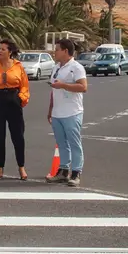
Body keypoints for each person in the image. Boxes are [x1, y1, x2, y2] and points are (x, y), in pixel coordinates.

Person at [0, 39, 30, 180]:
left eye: (3, 49)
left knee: (18, 136)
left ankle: (21, 167)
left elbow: (25, 86)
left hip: (13, 101)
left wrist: (21, 98)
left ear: (10, 51)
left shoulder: (18, 66)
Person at [46, 38, 87, 187]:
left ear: (65, 51)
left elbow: (83, 87)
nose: (54, 52)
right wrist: (50, 109)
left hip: (72, 112)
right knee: (61, 143)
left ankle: (76, 172)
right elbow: (53, 89)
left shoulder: (76, 67)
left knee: (74, 143)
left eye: (57, 49)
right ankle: (63, 170)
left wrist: (63, 85)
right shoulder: (56, 67)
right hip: (58, 112)